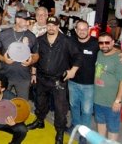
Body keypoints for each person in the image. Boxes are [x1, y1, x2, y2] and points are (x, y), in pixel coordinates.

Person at [27, 16, 82, 144]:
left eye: (54, 25)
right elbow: (35, 57)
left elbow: (78, 56)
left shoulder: (66, 41)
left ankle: (60, 132)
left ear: (58, 26)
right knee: (40, 103)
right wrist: (34, 73)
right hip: (41, 78)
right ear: (46, 26)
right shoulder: (39, 40)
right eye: (49, 25)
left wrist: (73, 71)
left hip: (59, 80)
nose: (51, 28)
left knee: (60, 109)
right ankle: (40, 121)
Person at [0, 11, 39, 99]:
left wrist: (31, 61)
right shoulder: (4, 34)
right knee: (3, 102)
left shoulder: (32, 36)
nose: (28, 23)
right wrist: (3, 59)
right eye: (26, 20)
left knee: (22, 104)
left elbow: (36, 55)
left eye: (29, 21)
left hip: (23, 77)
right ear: (17, 20)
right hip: (6, 76)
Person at [93, 32, 122, 142]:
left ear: (113, 42)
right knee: (100, 122)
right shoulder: (99, 53)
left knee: (113, 127)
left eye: (107, 42)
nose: (104, 45)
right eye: (101, 42)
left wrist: (117, 101)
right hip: (98, 99)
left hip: (112, 102)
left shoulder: (119, 58)